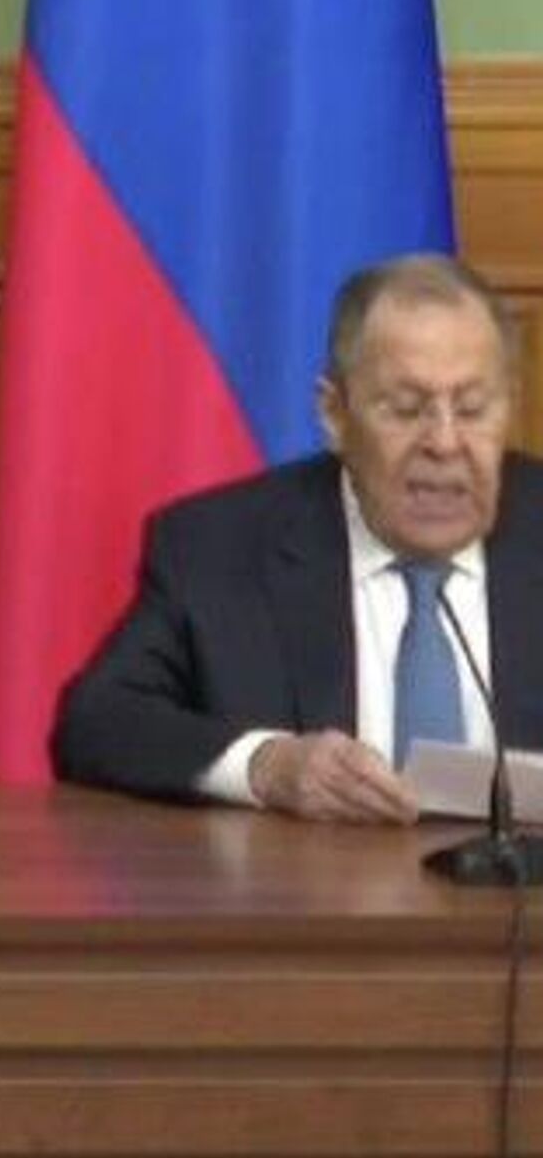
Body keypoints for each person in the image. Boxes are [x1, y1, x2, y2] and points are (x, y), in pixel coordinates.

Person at [52, 253, 543, 825]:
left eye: (473, 409)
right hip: (304, 882)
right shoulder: (219, 546)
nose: (444, 442)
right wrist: (267, 766)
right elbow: (97, 722)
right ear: (335, 414)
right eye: (407, 410)